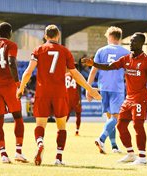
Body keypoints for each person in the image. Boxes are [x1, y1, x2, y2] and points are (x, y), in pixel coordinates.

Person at [16, 24, 101, 166]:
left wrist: (21, 88)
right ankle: (58, 158)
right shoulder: (65, 51)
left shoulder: (39, 50)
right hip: (60, 93)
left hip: (42, 92)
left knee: (40, 125)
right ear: (58, 36)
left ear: (45, 36)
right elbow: (75, 74)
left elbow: (28, 72)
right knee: (61, 126)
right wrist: (89, 88)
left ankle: (40, 143)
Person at [82, 32, 147, 165]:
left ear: (141, 44)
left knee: (137, 125)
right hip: (128, 98)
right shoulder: (126, 58)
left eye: (134, 41)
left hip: (141, 99)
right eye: (130, 41)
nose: (130, 43)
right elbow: (109, 66)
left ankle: (142, 158)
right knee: (120, 125)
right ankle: (130, 154)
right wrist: (94, 63)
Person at [0, 22, 27, 163]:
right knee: (18, 117)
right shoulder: (11, 45)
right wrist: (17, 83)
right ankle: (18, 152)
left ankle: (3, 154)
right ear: (9, 33)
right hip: (8, 85)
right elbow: (11, 62)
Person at [86, 26, 129, 154]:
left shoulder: (101, 51)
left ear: (110, 37)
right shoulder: (126, 52)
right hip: (117, 88)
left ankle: (114, 146)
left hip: (103, 88)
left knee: (110, 118)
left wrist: (89, 89)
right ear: (119, 38)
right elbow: (129, 73)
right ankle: (101, 139)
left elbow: (93, 71)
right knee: (115, 118)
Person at [65, 64, 82, 136]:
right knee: (78, 114)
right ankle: (77, 130)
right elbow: (79, 88)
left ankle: (61, 129)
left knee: (66, 115)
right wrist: (80, 99)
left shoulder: (65, 75)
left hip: (67, 98)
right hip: (75, 98)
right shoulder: (77, 76)